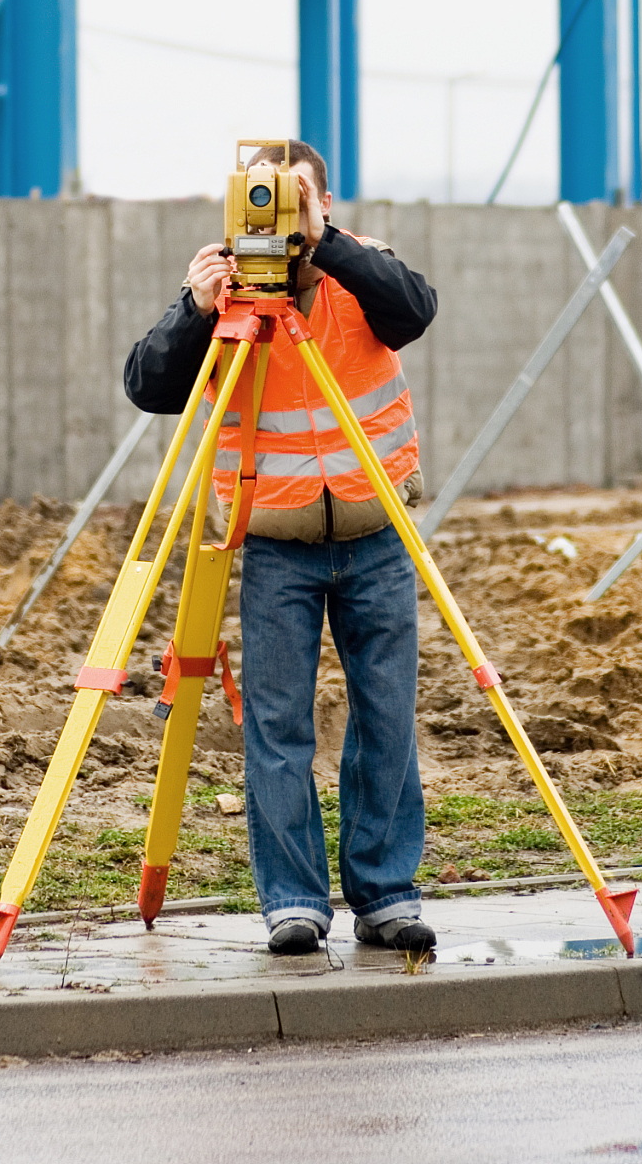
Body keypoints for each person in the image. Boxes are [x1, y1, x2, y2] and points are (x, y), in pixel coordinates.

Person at [123, 141, 438, 956]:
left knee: (386, 719)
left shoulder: (359, 268)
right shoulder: (227, 295)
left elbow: (413, 311)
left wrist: (323, 242)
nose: (276, 212)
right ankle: (293, 901)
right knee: (275, 727)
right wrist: (194, 309)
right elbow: (148, 386)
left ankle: (386, 893)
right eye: (258, 196)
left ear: (325, 202)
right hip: (275, 547)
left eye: (292, 196)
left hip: (376, 536)